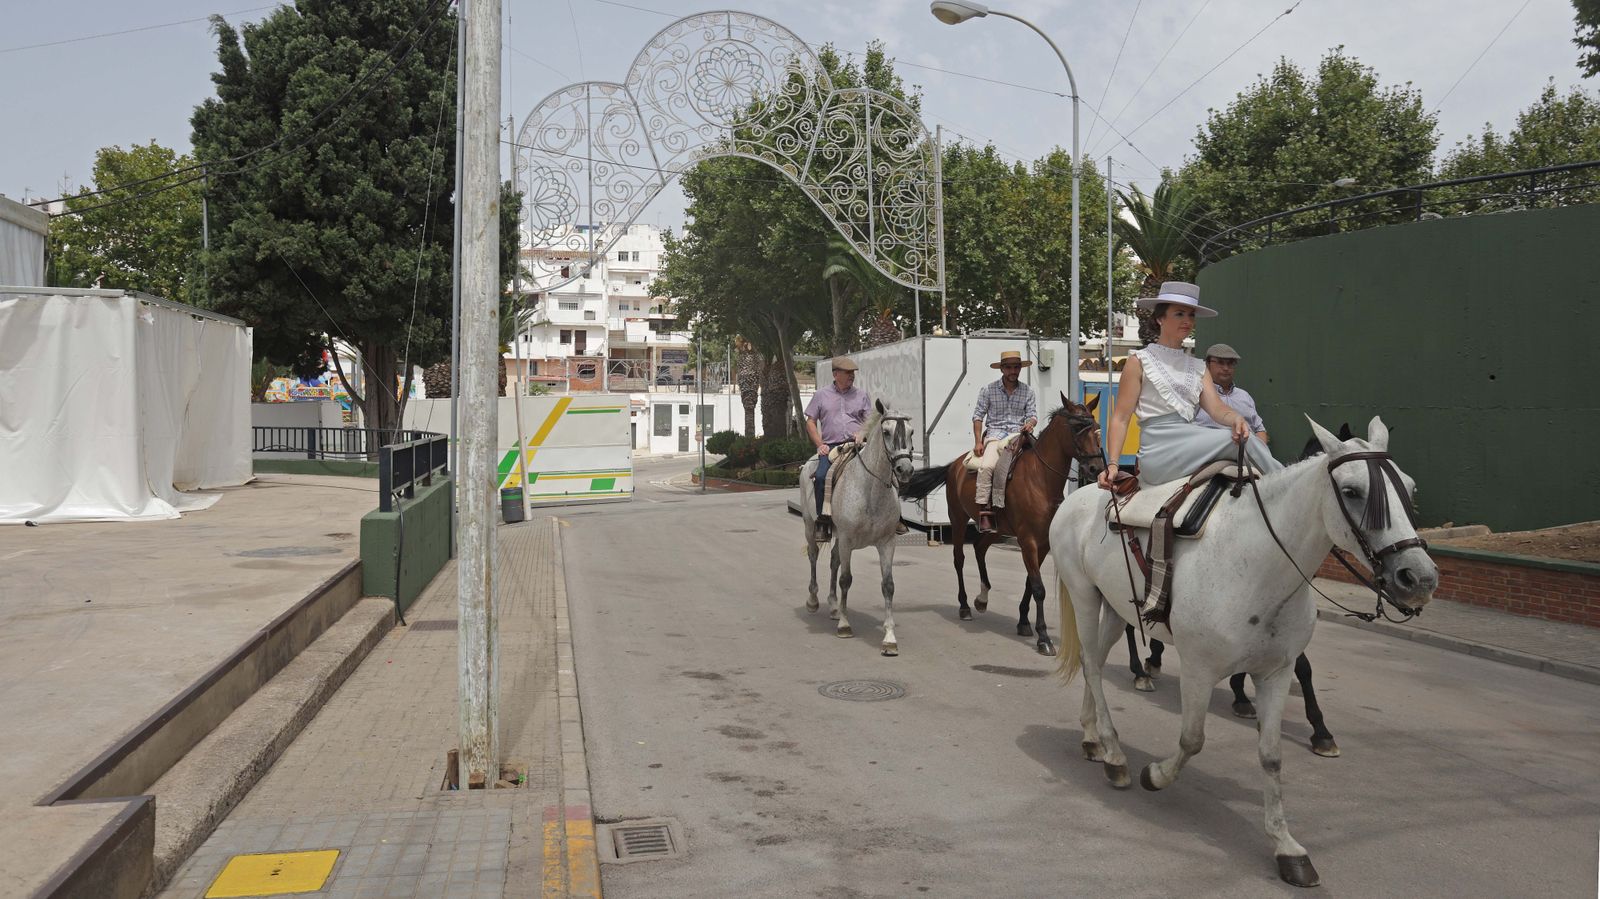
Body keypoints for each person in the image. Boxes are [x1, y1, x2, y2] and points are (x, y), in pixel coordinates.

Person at [1099, 282, 1281, 492]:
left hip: (1190, 439)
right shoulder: (1139, 361)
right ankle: (1289, 485)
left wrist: (1236, 418)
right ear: (1160, 318)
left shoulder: (1198, 366)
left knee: (1243, 435)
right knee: (1236, 441)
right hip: (1158, 451)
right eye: (1179, 314)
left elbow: (1216, 409)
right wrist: (1112, 464)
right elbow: (1120, 418)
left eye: (1191, 315)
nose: (1187, 321)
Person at [972, 350, 1038, 534]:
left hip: (1019, 435)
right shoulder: (988, 390)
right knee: (987, 467)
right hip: (995, 435)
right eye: (1009, 367)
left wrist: (1030, 424)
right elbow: (978, 416)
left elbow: (1032, 415)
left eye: (1016, 367)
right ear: (1002, 369)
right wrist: (978, 441)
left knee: (1040, 462)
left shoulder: (1028, 391)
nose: (1013, 371)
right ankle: (985, 510)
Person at [805, 356, 870, 542]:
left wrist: (862, 432)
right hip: (832, 447)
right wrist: (820, 444)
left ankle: (894, 519)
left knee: (883, 471)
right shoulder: (821, 395)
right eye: (848, 373)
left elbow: (870, 420)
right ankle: (822, 523)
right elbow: (810, 421)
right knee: (820, 477)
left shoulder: (862, 395)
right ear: (836, 374)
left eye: (853, 373)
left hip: (857, 445)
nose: (852, 376)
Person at [1194, 342, 1269, 445]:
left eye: (1230, 363)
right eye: (1220, 362)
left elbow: (1260, 429)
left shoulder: (1244, 396)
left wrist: (1260, 453)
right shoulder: (1199, 394)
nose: (1226, 368)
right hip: (1212, 454)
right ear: (1207, 364)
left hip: (1247, 454)